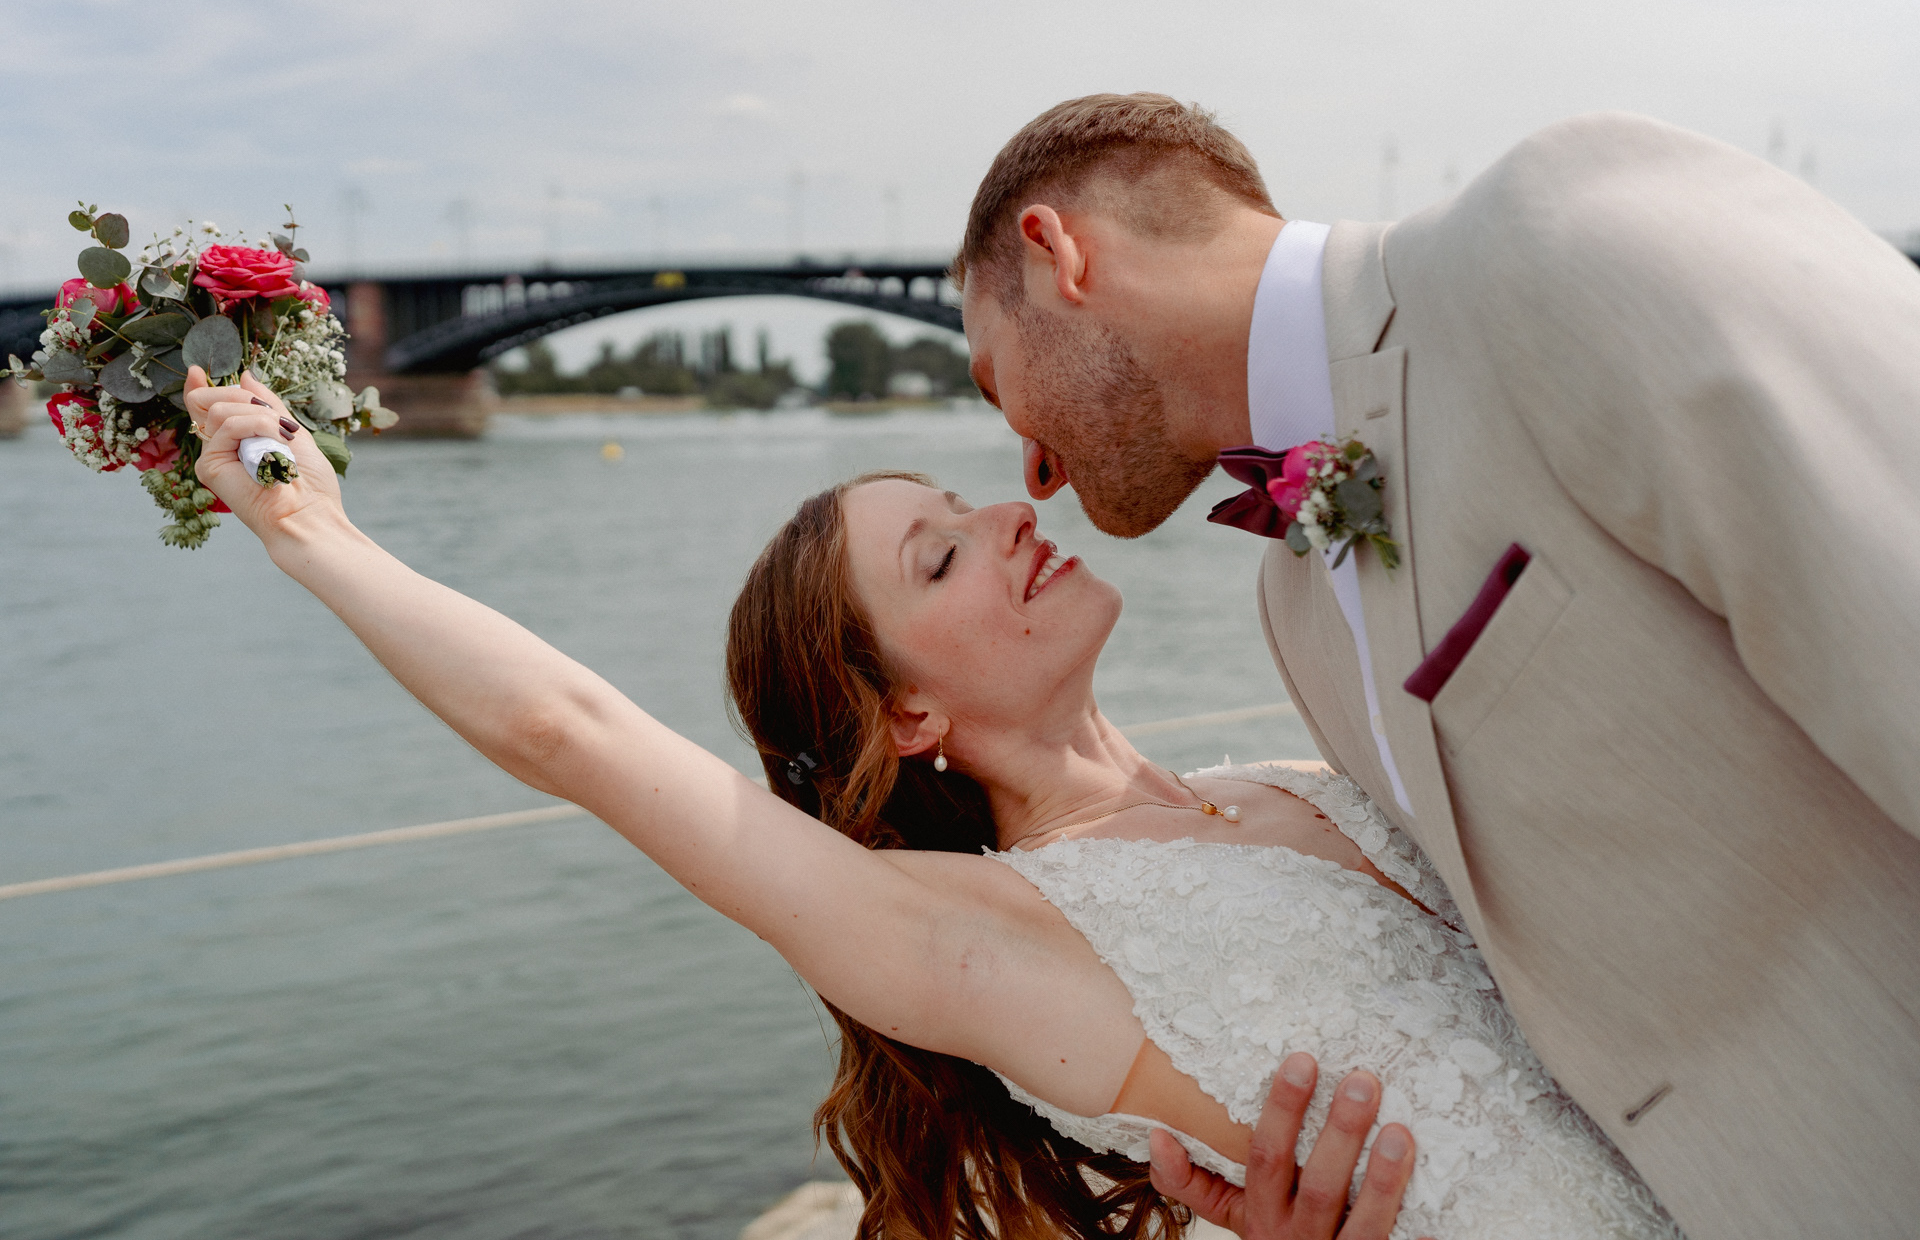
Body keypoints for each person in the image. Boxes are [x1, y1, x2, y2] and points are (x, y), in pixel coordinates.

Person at [182, 373, 1683, 1238]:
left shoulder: (1295, 778)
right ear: (907, 716)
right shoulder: (982, 938)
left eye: (967, 511)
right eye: (942, 559)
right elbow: (566, 731)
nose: (1011, 520)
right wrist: (310, 525)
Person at [954, 93, 1920, 1240]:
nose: (1030, 473)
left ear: (1058, 252)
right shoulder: (1296, 600)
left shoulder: (1563, 240)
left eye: (990, 375)